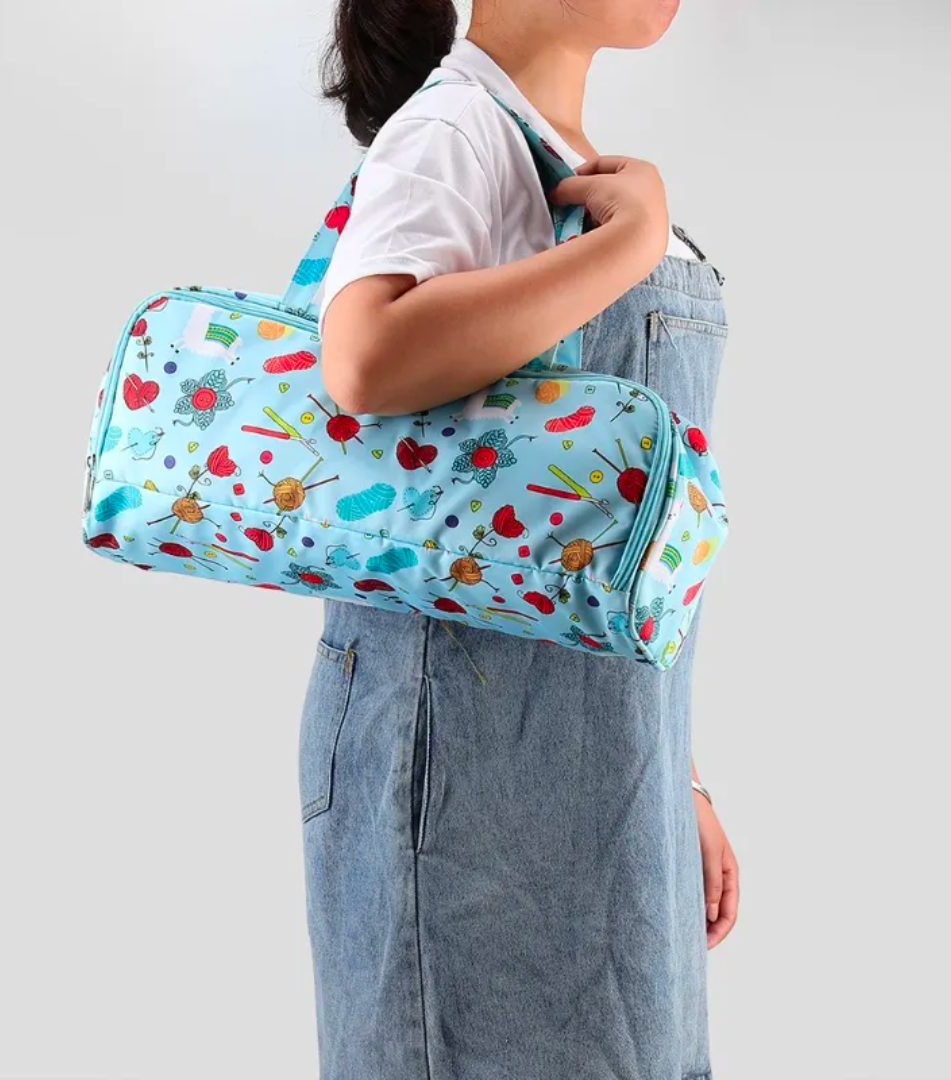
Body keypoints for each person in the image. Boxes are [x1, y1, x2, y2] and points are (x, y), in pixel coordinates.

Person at [297, 2, 738, 1076]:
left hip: (599, 759)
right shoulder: (454, 131)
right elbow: (364, 357)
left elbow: (586, 527)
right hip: (465, 777)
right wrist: (632, 241)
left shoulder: (566, 159)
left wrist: (675, 770)